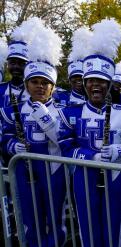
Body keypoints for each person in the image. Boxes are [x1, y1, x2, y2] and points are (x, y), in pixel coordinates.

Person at [57, 19, 121, 247]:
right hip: (83, 177)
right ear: (84, 83)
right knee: (88, 228)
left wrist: (117, 150)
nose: (95, 86)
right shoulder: (70, 113)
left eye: (101, 81)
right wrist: (89, 156)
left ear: (110, 85)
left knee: (114, 230)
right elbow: (64, 145)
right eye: (90, 80)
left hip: (115, 178)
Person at [1, 17, 67, 246]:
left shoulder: (62, 110)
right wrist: (12, 146)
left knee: (54, 219)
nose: (39, 86)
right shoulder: (14, 107)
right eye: (34, 82)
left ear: (52, 87)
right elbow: (6, 136)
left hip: (53, 170)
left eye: (44, 83)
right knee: (30, 220)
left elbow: (63, 140)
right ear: (27, 84)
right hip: (24, 171)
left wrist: (43, 115)